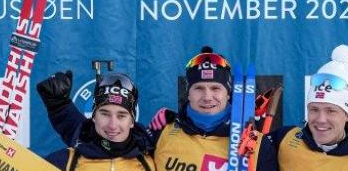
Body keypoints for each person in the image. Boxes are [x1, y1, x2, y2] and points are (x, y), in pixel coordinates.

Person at [45, 46, 234, 171]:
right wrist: (60, 107)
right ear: (188, 93)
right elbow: (97, 139)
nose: (207, 96)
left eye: (215, 88)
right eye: (199, 88)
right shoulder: (160, 134)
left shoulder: (248, 141)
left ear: (228, 93)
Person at [255, 44, 348, 171]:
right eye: (314, 109)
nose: (321, 119)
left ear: (347, 115)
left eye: (331, 111)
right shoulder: (284, 138)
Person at [38, 71, 156, 170]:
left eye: (121, 116)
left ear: (131, 121)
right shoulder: (65, 161)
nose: (112, 125)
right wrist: (59, 106)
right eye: (105, 114)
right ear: (94, 116)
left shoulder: (152, 161)